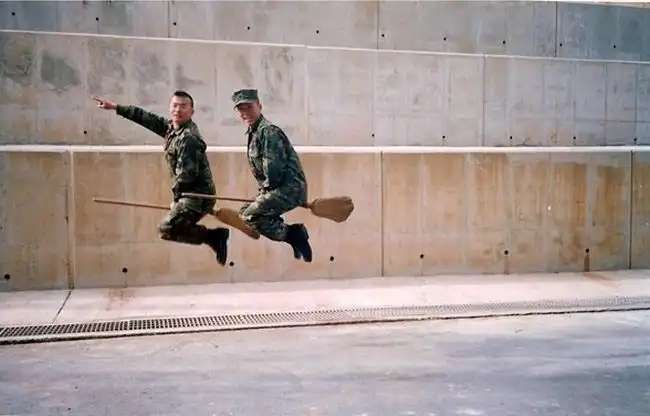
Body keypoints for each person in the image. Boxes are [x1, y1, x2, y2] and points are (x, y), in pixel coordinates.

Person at [91, 91, 230, 266]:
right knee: (171, 228)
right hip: (189, 193)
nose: (178, 110)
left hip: (198, 196)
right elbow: (146, 118)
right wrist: (116, 107)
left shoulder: (189, 139)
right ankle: (213, 236)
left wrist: (176, 200)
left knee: (167, 228)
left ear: (191, 112)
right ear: (170, 108)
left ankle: (214, 236)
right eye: (175, 106)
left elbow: (185, 175)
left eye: (183, 106)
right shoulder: (172, 128)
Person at [231, 88, 313, 262]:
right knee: (245, 212)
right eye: (241, 109)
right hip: (277, 188)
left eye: (249, 107)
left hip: (289, 189)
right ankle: (291, 232)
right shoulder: (255, 132)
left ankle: (294, 234)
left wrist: (263, 197)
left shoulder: (268, 132)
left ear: (259, 106)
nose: (245, 113)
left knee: (250, 215)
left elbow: (273, 171)